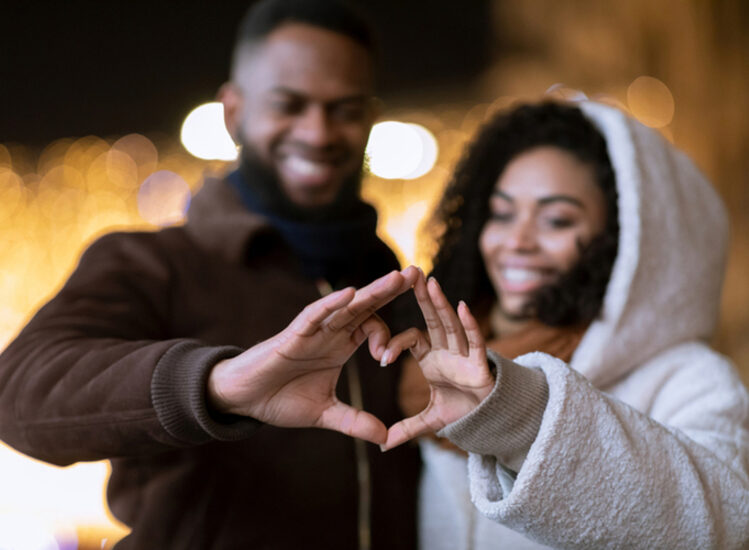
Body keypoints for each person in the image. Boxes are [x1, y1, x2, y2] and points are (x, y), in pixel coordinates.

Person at [0, 1, 421, 548]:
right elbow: (20, 394)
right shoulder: (152, 263)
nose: (318, 133)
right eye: (288, 105)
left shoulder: (393, 284)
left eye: (344, 108)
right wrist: (218, 386)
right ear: (233, 112)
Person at [379, 101, 749, 549]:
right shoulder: (432, 367)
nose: (516, 241)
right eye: (501, 213)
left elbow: (723, 528)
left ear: (623, 242)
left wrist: (519, 418)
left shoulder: (689, 378)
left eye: (556, 220)